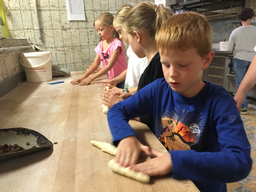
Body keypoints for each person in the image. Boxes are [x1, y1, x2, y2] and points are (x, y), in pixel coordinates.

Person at [107, 12, 252, 192]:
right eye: (166, 64)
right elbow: (116, 110)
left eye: (182, 65)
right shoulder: (159, 89)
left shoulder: (220, 103)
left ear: (206, 60)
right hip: (167, 185)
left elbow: (240, 162)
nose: (172, 74)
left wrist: (175, 160)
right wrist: (126, 137)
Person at [102, 2, 173, 130]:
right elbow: (152, 101)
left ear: (136, 36)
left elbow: (154, 117)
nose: (127, 42)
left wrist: (122, 105)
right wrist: (130, 97)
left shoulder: (159, 66)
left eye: (128, 39)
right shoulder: (155, 63)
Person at [70, 12, 127, 88]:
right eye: (97, 30)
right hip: (110, 79)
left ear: (111, 28)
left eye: (101, 30)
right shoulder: (101, 44)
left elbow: (109, 66)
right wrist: (84, 77)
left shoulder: (117, 44)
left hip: (121, 79)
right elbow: (95, 64)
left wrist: (91, 78)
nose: (99, 33)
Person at [228, 7, 256, 114]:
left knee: (240, 83)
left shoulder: (235, 31)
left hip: (240, 59)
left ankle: (243, 107)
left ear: (240, 19)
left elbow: (230, 48)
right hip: (254, 60)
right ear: (251, 17)